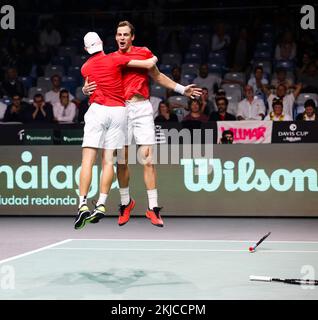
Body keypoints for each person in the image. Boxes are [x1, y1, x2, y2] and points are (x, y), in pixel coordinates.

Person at [83, 21, 202, 228]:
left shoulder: (143, 52)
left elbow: (157, 75)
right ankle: (125, 203)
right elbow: (96, 82)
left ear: (132, 37)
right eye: (118, 34)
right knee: (122, 160)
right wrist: (86, 91)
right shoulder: (112, 58)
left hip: (142, 109)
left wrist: (183, 90)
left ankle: (153, 208)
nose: (121, 38)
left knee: (147, 159)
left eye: (125, 34)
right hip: (120, 110)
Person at [74, 31, 158, 230]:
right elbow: (147, 65)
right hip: (118, 111)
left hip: (97, 111)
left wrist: (85, 90)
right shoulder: (115, 58)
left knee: (87, 160)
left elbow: (88, 87)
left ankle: (82, 204)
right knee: (108, 161)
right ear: (102, 43)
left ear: (86, 49)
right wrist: (154, 57)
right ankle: (102, 202)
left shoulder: (84, 67)